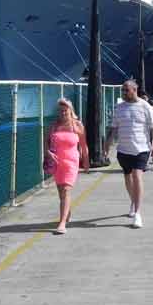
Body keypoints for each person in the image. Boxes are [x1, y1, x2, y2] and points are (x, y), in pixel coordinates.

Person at [105, 80, 153, 228]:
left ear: (135, 90)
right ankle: (134, 201)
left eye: (126, 90)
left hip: (141, 148)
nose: (123, 93)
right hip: (123, 149)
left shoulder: (145, 106)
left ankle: (138, 213)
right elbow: (114, 127)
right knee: (128, 178)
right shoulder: (119, 107)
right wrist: (107, 144)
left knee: (137, 175)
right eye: (122, 90)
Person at [45, 98, 89, 234]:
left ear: (71, 111)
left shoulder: (77, 126)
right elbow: (46, 143)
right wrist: (48, 153)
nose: (63, 113)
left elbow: (83, 145)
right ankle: (67, 212)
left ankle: (62, 223)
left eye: (65, 110)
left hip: (71, 162)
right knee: (61, 193)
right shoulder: (54, 126)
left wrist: (86, 162)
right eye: (61, 111)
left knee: (65, 190)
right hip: (57, 162)